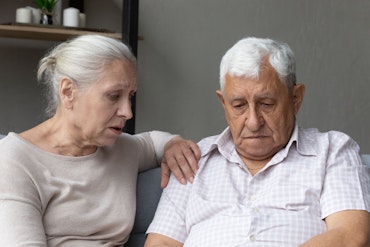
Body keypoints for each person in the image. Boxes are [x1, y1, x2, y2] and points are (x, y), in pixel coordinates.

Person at [145, 37, 370, 247]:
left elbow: (351, 236)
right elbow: (160, 243)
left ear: (296, 99)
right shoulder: (192, 159)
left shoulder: (332, 150)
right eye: (239, 105)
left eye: (266, 103)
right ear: (223, 103)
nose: (253, 122)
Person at [0, 35, 200, 246]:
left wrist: (173, 144)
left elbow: (153, 142)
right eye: (114, 96)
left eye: (130, 96)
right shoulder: (14, 161)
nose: (127, 112)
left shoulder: (122, 149)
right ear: (68, 92)